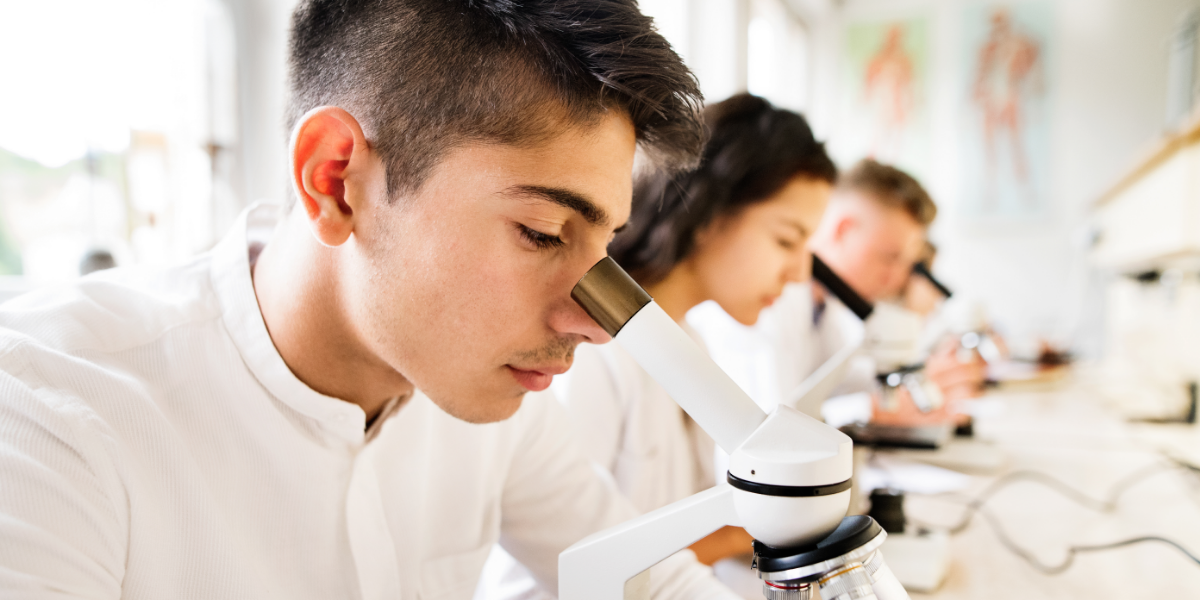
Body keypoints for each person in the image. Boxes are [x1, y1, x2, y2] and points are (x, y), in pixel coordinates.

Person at [0, 2, 740, 598]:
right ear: (334, 180)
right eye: (544, 234)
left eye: (603, 244)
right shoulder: (46, 415)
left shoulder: (496, 408)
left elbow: (653, 584)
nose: (593, 322)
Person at [477, 95, 835, 596]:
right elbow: (561, 560)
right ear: (711, 213)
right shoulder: (591, 349)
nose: (799, 274)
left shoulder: (691, 344)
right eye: (785, 240)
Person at [690, 159, 986, 426]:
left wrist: (924, 372)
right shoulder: (769, 300)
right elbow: (770, 425)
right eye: (889, 257)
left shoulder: (827, 306)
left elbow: (837, 384)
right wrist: (872, 410)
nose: (897, 277)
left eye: (906, 264)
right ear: (843, 231)